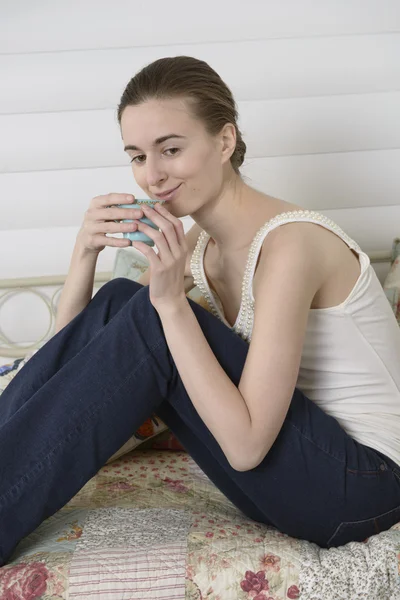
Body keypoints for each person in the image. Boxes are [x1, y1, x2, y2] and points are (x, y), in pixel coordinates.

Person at [1, 55, 400, 567]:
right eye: (138, 156)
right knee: (124, 300)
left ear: (225, 141)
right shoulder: (200, 242)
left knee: (149, 312)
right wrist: (83, 254)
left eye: (170, 149)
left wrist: (169, 305)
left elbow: (247, 448)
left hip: (365, 486)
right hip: (293, 480)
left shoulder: (290, 246)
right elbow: (80, 360)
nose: (153, 175)